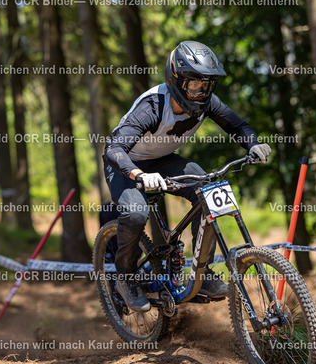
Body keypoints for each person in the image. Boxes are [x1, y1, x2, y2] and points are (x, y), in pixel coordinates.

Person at [103, 40, 271, 312]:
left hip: (163, 160)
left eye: (206, 85)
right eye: (194, 84)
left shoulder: (208, 103)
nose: (200, 91)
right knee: (135, 213)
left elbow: (237, 125)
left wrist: (253, 144)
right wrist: (137, 174)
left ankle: (202, 276)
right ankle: (126, 277)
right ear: (176, 79)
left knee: (210, 193)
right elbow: (114, 147)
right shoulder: (153, 107)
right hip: (125, 162)